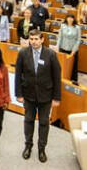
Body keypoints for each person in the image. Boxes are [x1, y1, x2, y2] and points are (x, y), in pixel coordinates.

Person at [15, 29, 62, 163]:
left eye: (36, 39)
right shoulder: (23, 53)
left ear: (42, 40)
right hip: (28, 95)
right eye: (32, 39)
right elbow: (18, 75)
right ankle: (28, 146)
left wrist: (56, 97)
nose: (34, 42)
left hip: (45, 96)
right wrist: (18, 94)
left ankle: (42, 149)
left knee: (43, 122)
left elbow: (57, 76)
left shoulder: (51, 54)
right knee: (28, 120)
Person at [56, 14, 81, 81]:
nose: (70, 19)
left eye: (71, 18)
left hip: (72, 50)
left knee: (73, 66)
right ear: (66, 19)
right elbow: (59, 37)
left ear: (73, 19)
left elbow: (78, 40)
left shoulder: (77, 27)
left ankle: (73, 80)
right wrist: (57, 48)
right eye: (68, 18)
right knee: (63, 66)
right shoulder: (62, 26)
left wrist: (73, 51)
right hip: (63, 48)